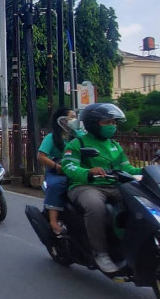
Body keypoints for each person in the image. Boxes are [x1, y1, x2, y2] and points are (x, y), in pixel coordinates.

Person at [61, 103, 142, 274]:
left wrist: (148, 171)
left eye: (114, 122)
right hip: (86, 186)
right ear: (93, 124)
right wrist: (88, 172)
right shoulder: (78, 143)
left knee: (138, 203)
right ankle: (100, 252)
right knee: (95, 206)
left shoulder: (115, 145)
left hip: (114, 185)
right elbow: (69, 167)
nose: (112, 126)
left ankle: (129, 245)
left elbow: (127, 170)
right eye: (107, 122)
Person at [38, 107, 83, 234]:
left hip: (77, 169)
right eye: (71, 117)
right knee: (57, 185)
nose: (75, 120)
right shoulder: (51, 138)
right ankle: (53, 221)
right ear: (62, 121)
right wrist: (56, 167)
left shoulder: (78, 136)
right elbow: (41, 156)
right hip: (57, 171)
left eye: (75, 117)